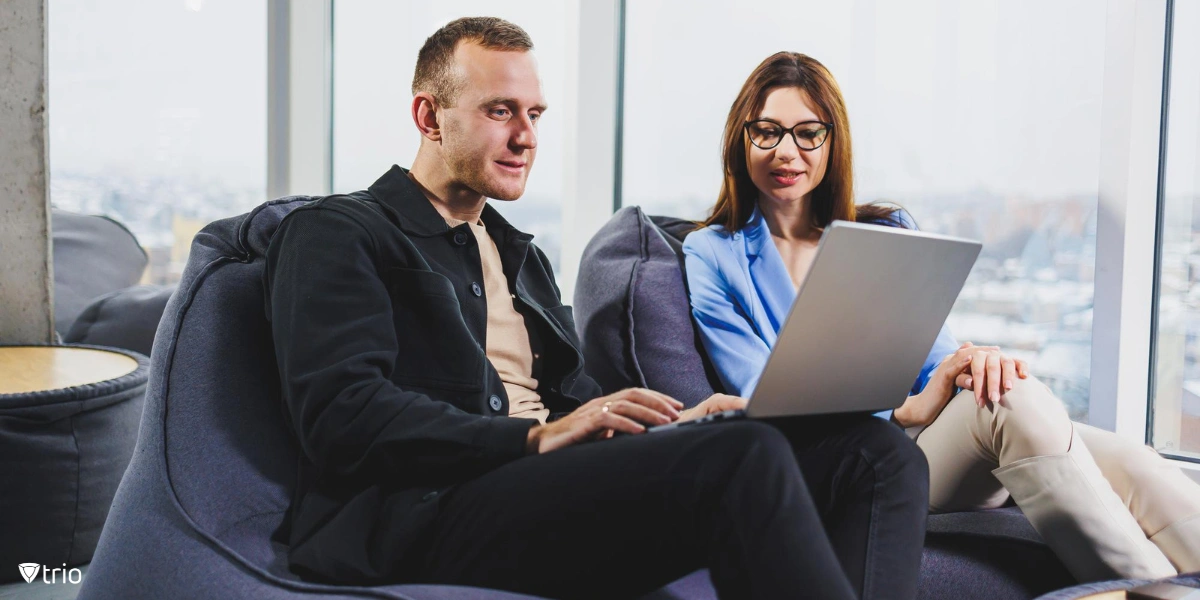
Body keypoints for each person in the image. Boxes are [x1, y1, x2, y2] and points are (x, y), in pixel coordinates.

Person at [264, 18, 931, 600]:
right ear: (429, 116)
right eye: (501, 111)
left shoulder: (517, 254)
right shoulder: (338, 232)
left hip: (540, 490)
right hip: (430, 511)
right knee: (745, 457)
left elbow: (574, 407)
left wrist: (677, 428)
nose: (526, 136)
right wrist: (533, 437)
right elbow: (341, 415)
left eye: (536, 115)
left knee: (876, 454)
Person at [683, 50, 1200, 583]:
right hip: (858, 460)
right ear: (741, 138)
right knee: (1008, 408)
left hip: (937, 434)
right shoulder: (712, 253)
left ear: (832, 143)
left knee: (1124, 459)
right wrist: (905, 412)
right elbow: (769, 397)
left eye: (808, 133)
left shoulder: (885, 232)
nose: (787, 151)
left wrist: (969, 363)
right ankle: (1152, 594)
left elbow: (934, 360)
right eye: (767, 131)